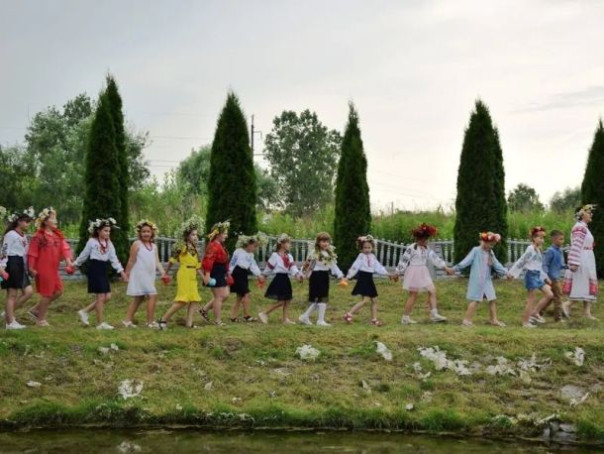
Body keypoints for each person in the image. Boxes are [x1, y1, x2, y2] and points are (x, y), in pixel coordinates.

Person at [73, 218, 127, 330]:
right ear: (98, 231)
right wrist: (75, 264)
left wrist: (121, 272)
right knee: (101, 296)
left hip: (103, 269)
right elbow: (84, 255)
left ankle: (84, 311)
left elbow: (114, 259)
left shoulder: (109, 244)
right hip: (95, 269)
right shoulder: (92, 242)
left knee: (107, 297)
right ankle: (100, 324)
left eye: (109, 231)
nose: (107, 233)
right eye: (105, 231)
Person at [395, 224, 452, 325]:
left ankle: (434, 314)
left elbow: (435, 259)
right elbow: (404, 260)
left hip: (423, 272)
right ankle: (405, 317)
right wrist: (397, 272)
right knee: (413, 295)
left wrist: (445, 267)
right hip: (414, 272)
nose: (426, 241)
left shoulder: (426, 248)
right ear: (418, 239)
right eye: (424, 239)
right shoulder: (412, 248)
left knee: (432, 290)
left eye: (426, 239)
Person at [27, 207, 75, 327]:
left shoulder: (57, 235)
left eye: (55, 218)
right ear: (45, 221)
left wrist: (69, 262)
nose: (56, 221)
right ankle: (40, 320)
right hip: (43, 269)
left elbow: (65, 249)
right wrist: (31, 268)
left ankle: (35, 310)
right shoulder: (38, 236)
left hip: (53, 269)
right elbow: (32, 253)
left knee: (58, 291)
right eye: (53, 218)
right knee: (47, 294)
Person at [451, 232, 508, 327]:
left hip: (486, 280)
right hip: (478, 280)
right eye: (490, 244)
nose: (492, 247)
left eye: (493, 245)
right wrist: (455, 269)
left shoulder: (490, 252)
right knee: (476, 300)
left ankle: (493, 320)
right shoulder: (476, 251)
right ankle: (466, 320)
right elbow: (466, 261)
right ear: (484, 242)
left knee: (492, 299)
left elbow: (496, 264)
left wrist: (506, 273)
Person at [158, 216, 204, 329]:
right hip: (184, 273)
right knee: (183, 300)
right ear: (187, 235)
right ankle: (163, 320)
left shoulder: (195, 249)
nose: (195, 237)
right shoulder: (182, 246)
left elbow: (198, 266)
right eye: (193, 234)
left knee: (194, 299)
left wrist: (204, 277)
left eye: (196, 234)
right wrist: (166, 273)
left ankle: (189, 323)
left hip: (192, 275)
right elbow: (172, 260)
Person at [123, 220, 168, 328]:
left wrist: (163, 273)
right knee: (152, 295)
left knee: (139, 298)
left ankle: (127, 321)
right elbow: (131, 260)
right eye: (143, 231)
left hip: (149, 275)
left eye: (148, 231)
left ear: (152, 233)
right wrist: (126, 273)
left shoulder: (154, 246)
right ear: (140, 233)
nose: (146, 234)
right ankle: (150, 322)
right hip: (140, 274)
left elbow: (157, 262)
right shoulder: (137, 244)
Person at [343, 235, 394, 326]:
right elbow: (355, 267)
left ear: (372, 248)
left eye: (369, 247)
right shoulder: (361, 256)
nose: (367, 249)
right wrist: (348, 277)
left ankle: (374, 320)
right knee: (365, 300)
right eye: (365, 248)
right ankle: (348, 314)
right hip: (363, 279)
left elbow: (378, 267)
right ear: (361, 248)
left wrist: (387, 274)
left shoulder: (372, 256)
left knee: (374, 300)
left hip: (369, 279)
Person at [508, 226, 553, 328]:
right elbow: (521, 261)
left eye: (543, 238)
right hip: (531, 275)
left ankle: (535, 313)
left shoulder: (539, 250)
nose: (542, 240)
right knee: (531, 299)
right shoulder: (530, 249)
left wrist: (546, 277)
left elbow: (539, 266)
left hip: (538, 275)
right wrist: (512, 273)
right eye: (540, 238)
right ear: (533, 238)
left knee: (549, 294)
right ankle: (525, 322)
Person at [299, 232, 346, 327]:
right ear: (318, 242)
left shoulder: (329, 253)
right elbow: (310, 265)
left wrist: (340, 275)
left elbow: (333, 265)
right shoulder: (315, 253)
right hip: (316, 276)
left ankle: (308, 317)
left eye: (327, 241)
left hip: (324, 275)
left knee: (322, 298)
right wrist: (304, 275)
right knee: (320, 298)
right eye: (323, 241)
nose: (325, 243)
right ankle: (317, 320)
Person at [1, 207, 35, 329]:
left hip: (19, 264)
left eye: (29, 221)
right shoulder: (11, 235)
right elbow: (4, 251)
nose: (28, 224)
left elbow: (24, 254)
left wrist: (28, 268)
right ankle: (10, 322)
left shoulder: (23, 236)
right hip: (12, 264)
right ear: (18, 221)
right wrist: (2, 268)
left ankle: (8, 315)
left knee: (27, 291)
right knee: (12, 294)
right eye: (26, 221)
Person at [562, 205, 599, 320]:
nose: (591, 214)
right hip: (582, 259)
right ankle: (567, 305)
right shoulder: (579, 228)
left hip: (587, 257)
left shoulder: (584, 227)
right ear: (582, 214)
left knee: (587, 283)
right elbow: (576, 245)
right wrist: (573, 262)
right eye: (588, 212)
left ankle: (587, 313)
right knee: (581, 283)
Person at [258, 233, 303, 324]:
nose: (290, 245)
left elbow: (292, 267)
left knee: (288, 300)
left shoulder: (289, 256)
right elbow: (269, 267)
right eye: (288, 243)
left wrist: (297, 275)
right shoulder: (275, 256)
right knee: (281, 301)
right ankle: (264, 313)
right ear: (282, 244)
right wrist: (264, 275)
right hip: (279, 279)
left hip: (286, 279)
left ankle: (285, 319)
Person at [199, 221, 232, 326]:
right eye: (225, 233)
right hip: (215, 272)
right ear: (218, 234)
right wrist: (207, 275)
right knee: (219, 297)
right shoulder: (213, 245)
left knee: (225, 294)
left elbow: (225, 260)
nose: (226, 236)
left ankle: (204, 310)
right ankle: (218, 321)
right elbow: (208, 260)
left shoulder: (219, 245)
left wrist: (227, 272)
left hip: (220, 272)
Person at [229, 232, 267, 323]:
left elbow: (253, 265)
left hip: (243, 274)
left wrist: (259, 275)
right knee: (246, 294)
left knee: (239, 296)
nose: (255, 248)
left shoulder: (251, 255)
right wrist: (228, 274)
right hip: (237, 273)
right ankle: (247, 316)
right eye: (254, 246)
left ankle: (233, 316)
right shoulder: (238, 251)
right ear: (248, 244)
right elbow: (232, 263)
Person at [538, 230, 566, 322]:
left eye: (563, 239)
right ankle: (558, 318)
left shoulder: (559, 251)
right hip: (552, 278)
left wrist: (568, 266)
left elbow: (560, 264)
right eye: (560, 239)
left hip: (556, 277)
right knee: (558, 297)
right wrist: (546, 276)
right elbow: (545, 264)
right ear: (554, 239)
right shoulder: (550, 251)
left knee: (550, 297)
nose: (562, 241)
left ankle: (538, 313)